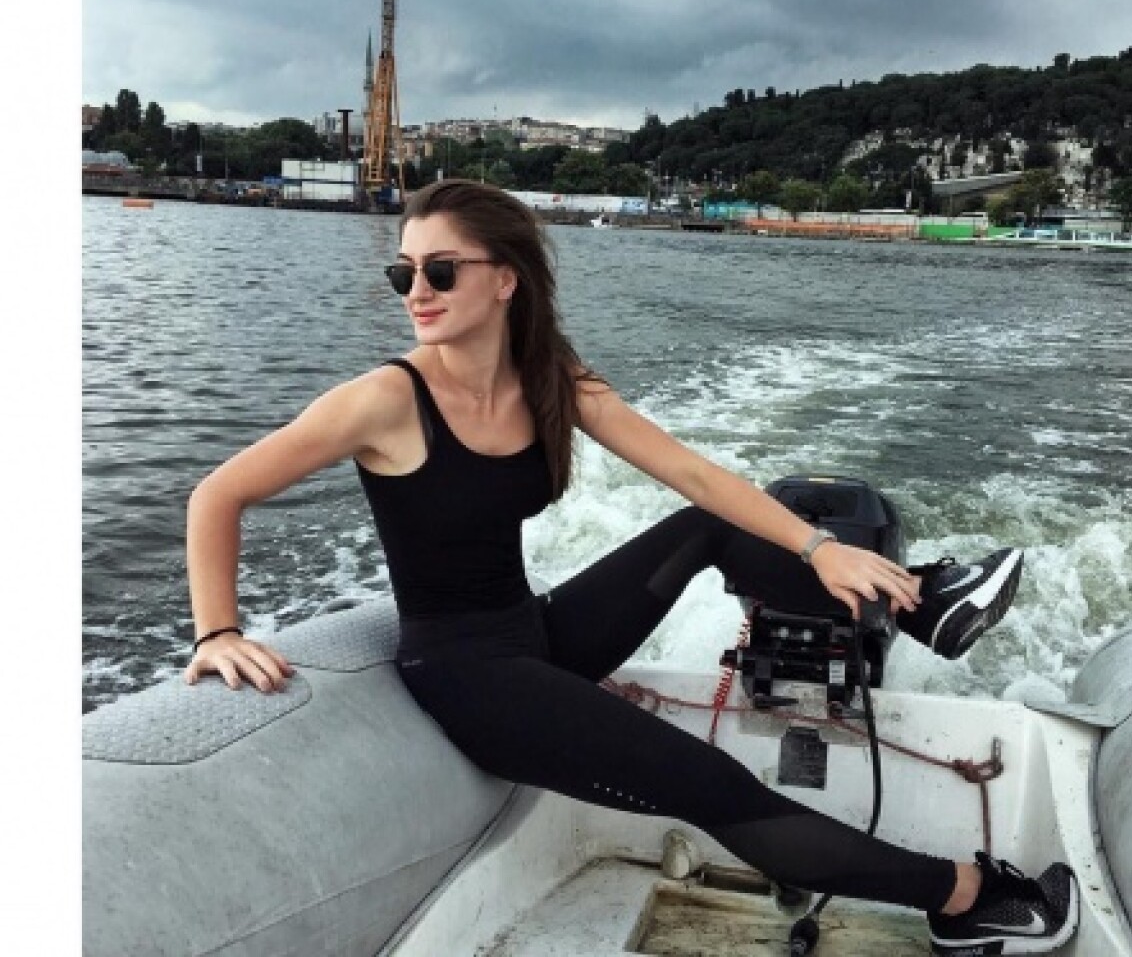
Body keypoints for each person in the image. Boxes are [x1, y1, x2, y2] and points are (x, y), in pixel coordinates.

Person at [184, 178, 1079, 954]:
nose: (416, 291)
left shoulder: (549, 377)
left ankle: (922, 604)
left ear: (505, 279)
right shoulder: (384, 399)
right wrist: (217, 631)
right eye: (404, 273)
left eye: (440, 270)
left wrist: (821, 545)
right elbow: (218, 495)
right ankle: (964, 900)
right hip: (464, 674)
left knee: (701, 525)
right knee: (712, 784)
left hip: (535, 635)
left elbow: (692, 473)